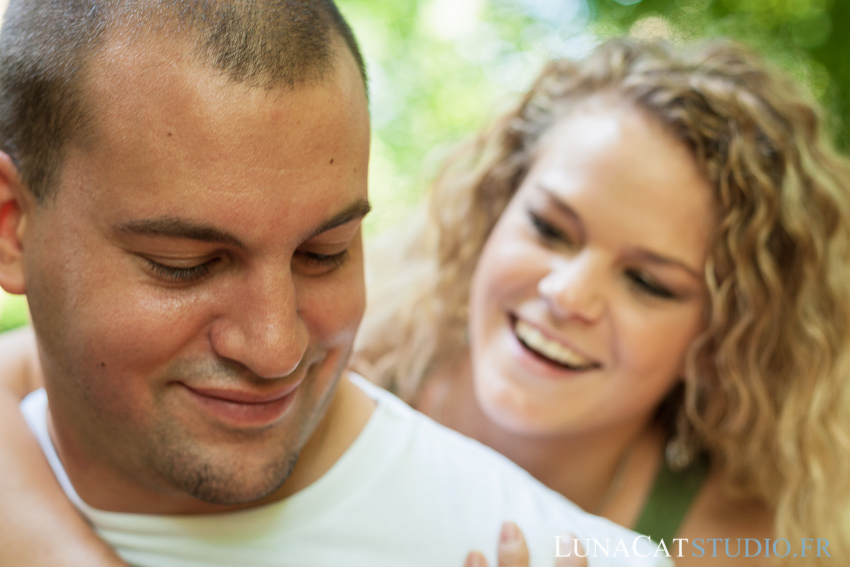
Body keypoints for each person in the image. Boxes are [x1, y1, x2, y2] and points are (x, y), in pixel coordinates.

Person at [0, 2, 664, 567]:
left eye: (325, 252)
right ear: (12, 230)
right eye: (186, 263)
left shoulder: (538, 545)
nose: (275, 348)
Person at [353, 38, 850, 565]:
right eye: (549, 228)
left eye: (647, 282)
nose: (567, 294)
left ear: (718, 342)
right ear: (493, 211)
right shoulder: (330, 374)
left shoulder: (749, 549)